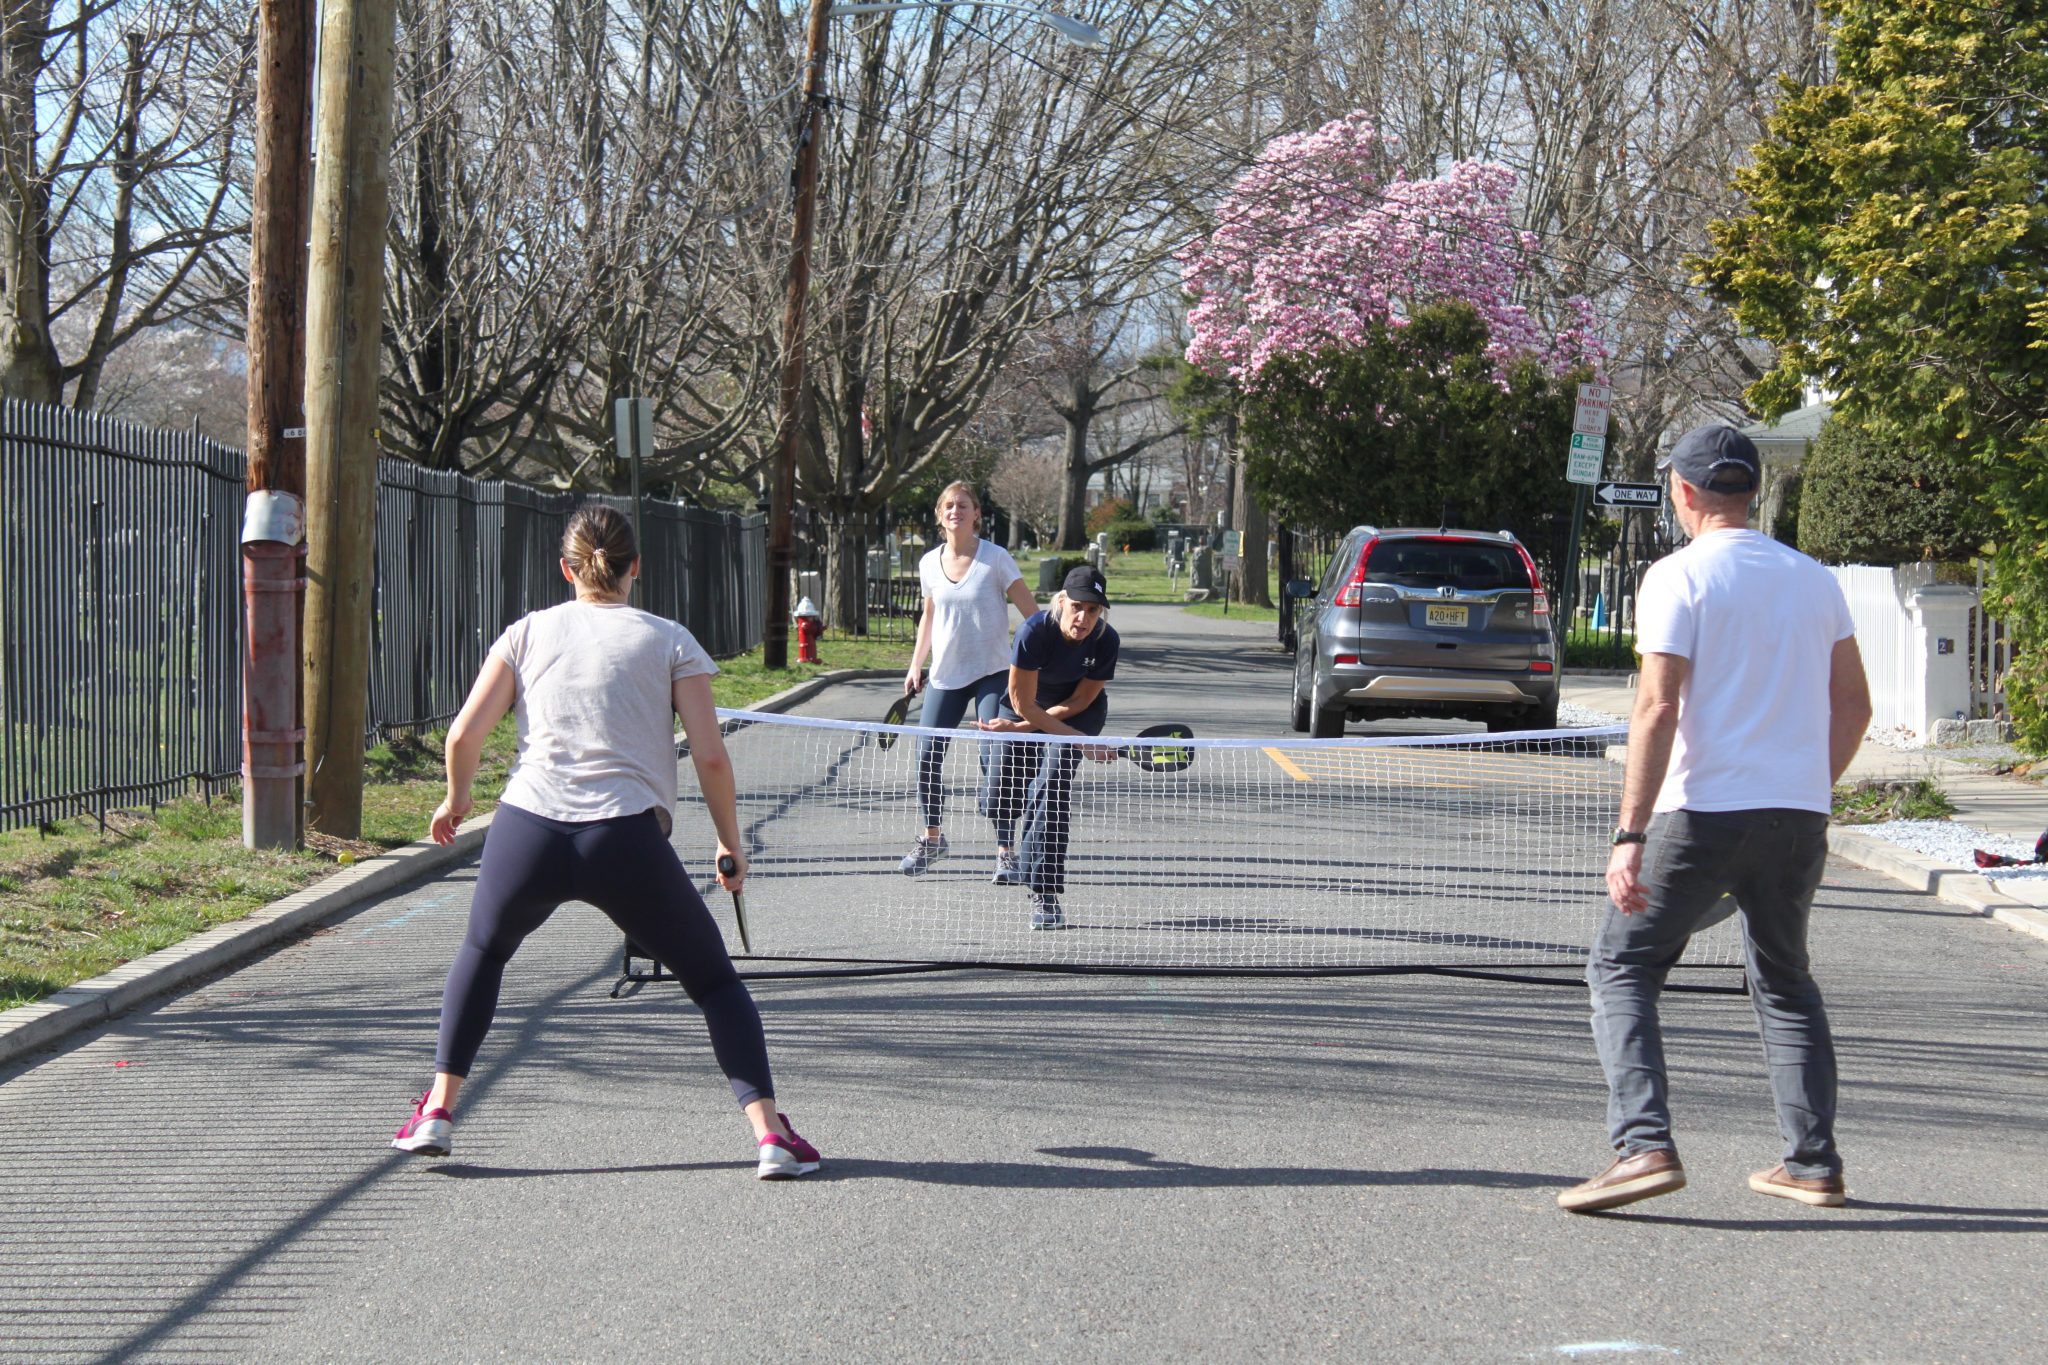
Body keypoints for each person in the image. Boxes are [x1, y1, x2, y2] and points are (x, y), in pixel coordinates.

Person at [389, 504, 822, 1181]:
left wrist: (457, 797)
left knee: (483, 951)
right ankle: (770, 1136)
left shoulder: (528, 632)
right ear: (635, 567)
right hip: (623, 839)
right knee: (712, 980)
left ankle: (437, 1110)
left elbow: (462, 736)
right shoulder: (669, 638)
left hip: (527, 827)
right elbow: (710, 756)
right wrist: (728, 843)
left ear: (567, 569)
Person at [1558, 423, 1871, 1214]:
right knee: (1785, 979)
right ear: (1753, 492)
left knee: (1621, 964)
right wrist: (1810, 785)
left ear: (1683, 491)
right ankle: (1812, 1161)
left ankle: (1642, 1145)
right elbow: (1855, 703)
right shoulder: (1814, 579)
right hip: (1796, 817)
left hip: (1701, 813)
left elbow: (1657, 706)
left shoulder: (1676, 576)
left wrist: (1630, 834)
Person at [898, 482, 1037, 877]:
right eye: (948, 506)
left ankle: (1006, 851)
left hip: (993, 672)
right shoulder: (928, 563)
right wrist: (915, 665)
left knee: (994, 759)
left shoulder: (996, 558)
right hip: (946, 675)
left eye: (963, 505)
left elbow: (1032, 613)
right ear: (940, 515)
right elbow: (929, 615)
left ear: (977, 513)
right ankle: (932, 839)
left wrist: (1045, 658)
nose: (955, 511)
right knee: (926, 757)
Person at [978, 564, 1121, 930]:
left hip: (1078, 711)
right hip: (1023, 705)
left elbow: (1080, 700)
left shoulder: (1106, 640)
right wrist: (1021, 727)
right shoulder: (1033, 632)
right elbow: (1024, 705)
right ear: (1061, 602)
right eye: (1078, 606)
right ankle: (1007, 848)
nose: (1084, 617)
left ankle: (1044, 893)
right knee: (998, 797)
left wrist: (1072, 737)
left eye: (1093, 610)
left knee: (1052, 785)